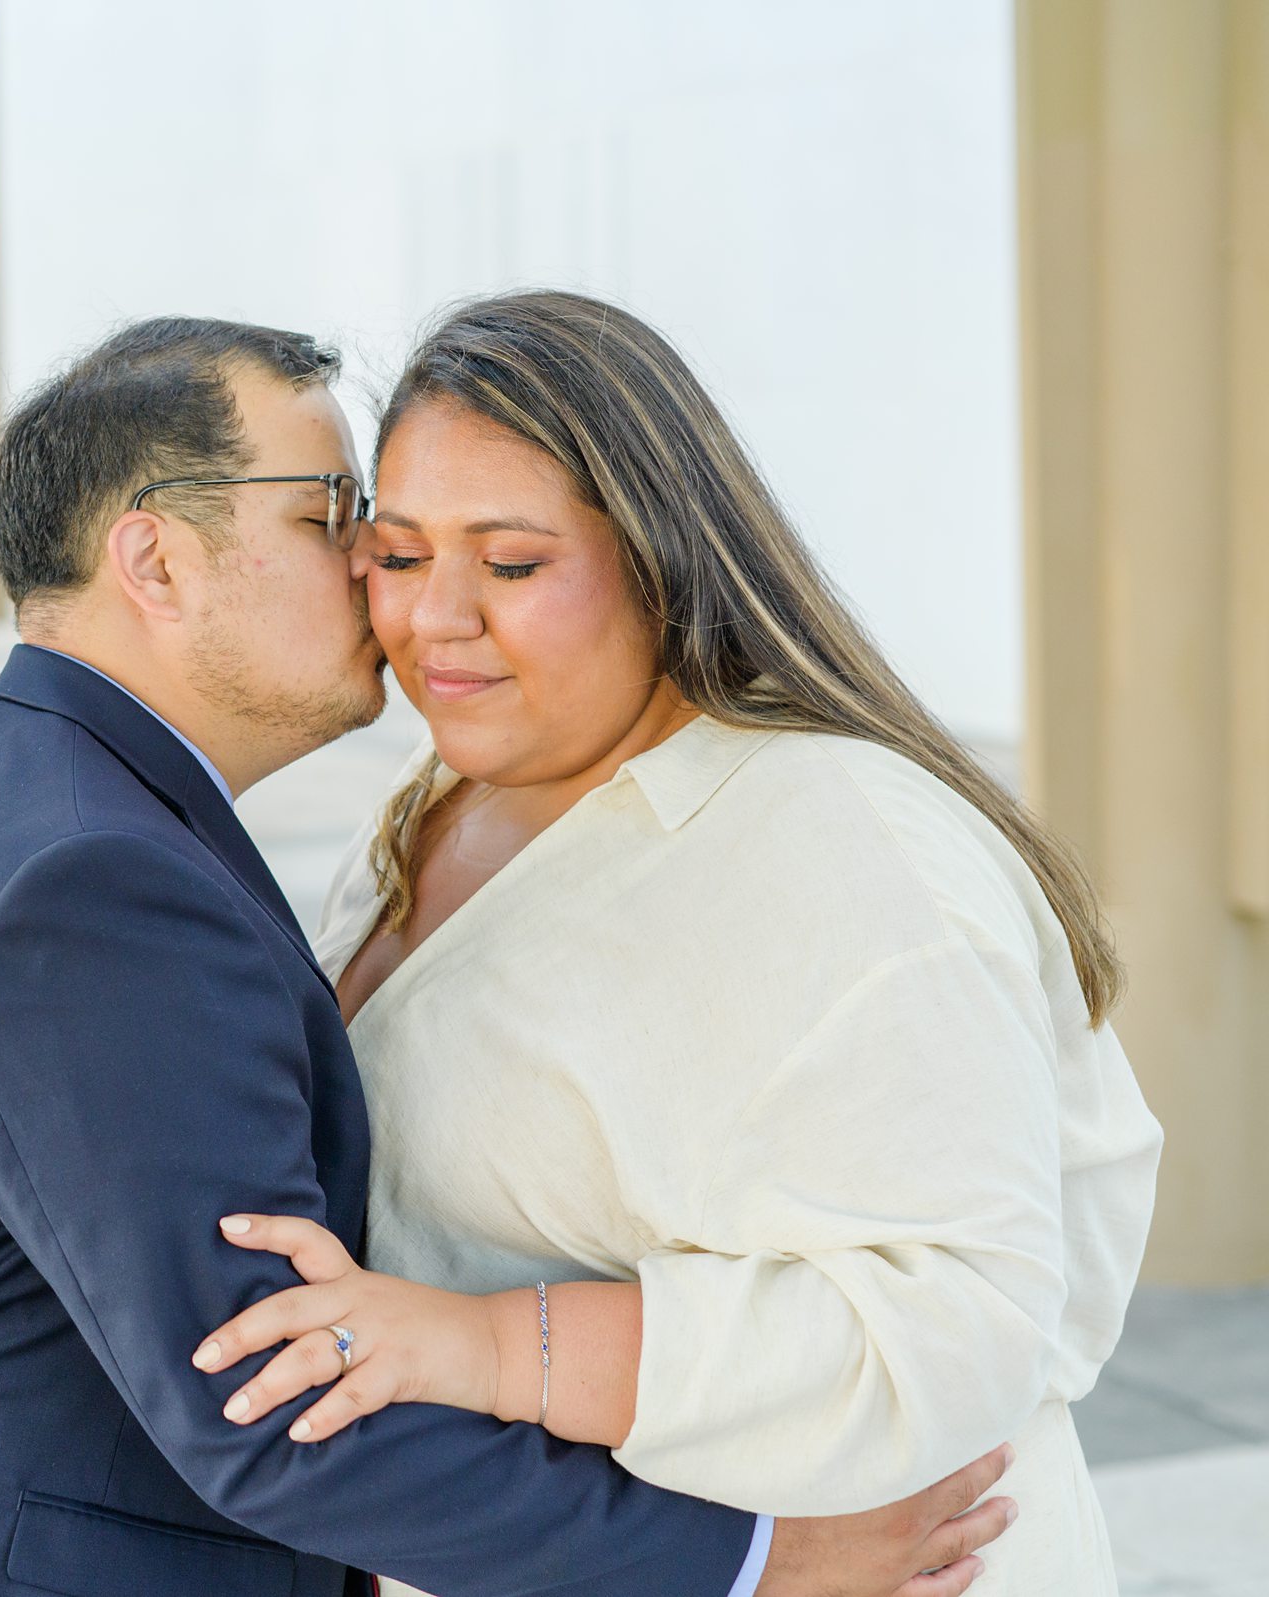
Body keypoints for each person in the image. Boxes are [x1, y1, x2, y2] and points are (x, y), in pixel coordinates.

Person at [0, 316, 1018, 1597]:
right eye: (343, 515)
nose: (373, 572)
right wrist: (755, 1564)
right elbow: (269, 1403)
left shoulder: (31, 784)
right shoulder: (95, 882)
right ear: (154, 556)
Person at [189, 292, 1162, 1597]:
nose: (438, 616)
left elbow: (959, 1327)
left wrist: (483, 1348)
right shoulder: (450, 798)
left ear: (663, 556)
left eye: (514, 562)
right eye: (403, 552)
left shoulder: (853, 849)